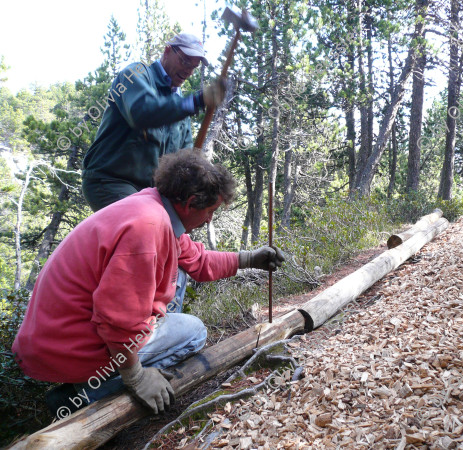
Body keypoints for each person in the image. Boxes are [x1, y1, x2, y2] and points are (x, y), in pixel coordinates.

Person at [12, 150, 285, 416]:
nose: (210, 218)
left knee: (177, 275)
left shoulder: (152, 207)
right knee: (193, 332)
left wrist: (249, 258)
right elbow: (116, 320)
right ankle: (83, 396)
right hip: (69, 347)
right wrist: (136, 377)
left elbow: (198, 261)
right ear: (190, 203)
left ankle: (95, 379)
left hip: (58, 339)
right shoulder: (148, 227)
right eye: (211, 210)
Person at [82, 32, 225, 212]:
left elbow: (185, 159)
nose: (188, 71)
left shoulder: (180, 108)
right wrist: (195, 102)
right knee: (142, 223)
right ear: (167, 51)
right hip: (111, 181)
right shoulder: (136, 75)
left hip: (149, 195)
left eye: (193, 67)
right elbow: (142, 113)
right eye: (185, 61)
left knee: (171, 233)